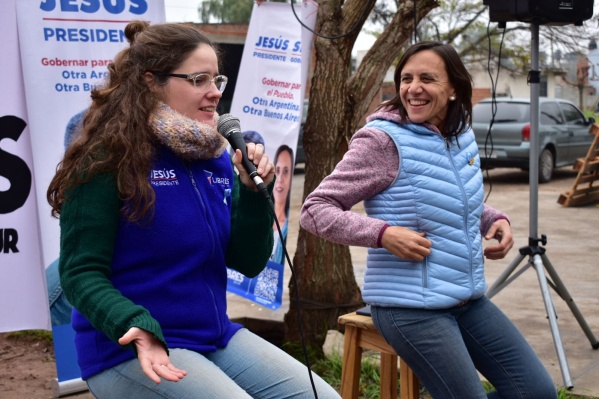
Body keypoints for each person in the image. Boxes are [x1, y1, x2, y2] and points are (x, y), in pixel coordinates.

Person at [47, 20, 340, 399]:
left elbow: (248, 262)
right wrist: (133, 323)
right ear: (152, 82)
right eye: (199, 80)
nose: (214, 93)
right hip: (130, 344)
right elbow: (78, 271)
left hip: (214, 336)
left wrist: (252, 195)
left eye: (217, 81)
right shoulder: (107, 157)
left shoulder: (216, 155)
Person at [300, 41, 557, 399]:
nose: (413, 88)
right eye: (406, 78)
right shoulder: (382, 142)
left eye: (427, 78)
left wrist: (492, 219)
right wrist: (383, 234)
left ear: (453, 88)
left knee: (536, 392)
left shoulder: (460, 135)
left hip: (466, 299)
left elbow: (454, 200)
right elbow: (315, 210)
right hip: (409, 309)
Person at [271, 144, 294, 265]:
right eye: (277, 170)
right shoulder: (259, 215)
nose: (279, 178)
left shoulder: (290, 228)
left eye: (286, 171)